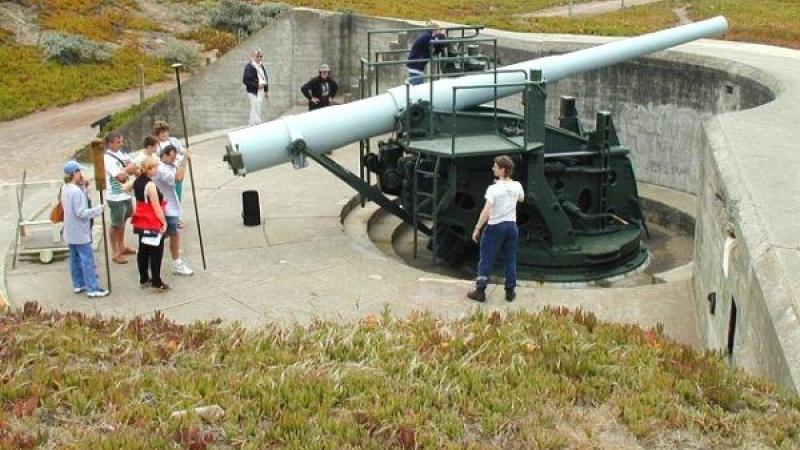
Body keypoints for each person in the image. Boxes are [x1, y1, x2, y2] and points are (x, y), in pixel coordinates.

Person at [467, 155, 525, 303]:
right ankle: (510, 291)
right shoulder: (517, 185)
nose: (493, 168)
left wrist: (477, 227)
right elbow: (521, 199)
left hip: (495, 227)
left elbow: (486, 210)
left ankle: (480, 291)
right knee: (510, 258)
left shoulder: (493, 189)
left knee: (486, 258)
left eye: (495, 167)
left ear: (502, 170)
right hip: (511, 227)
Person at [61, 161, 108, 298]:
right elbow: (81, 212)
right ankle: (93, 288)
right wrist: (98, 210)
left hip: (70, 230)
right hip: (80, 231)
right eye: (79, 171)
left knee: (74, 258)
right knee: (87, 259)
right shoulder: (76, 192)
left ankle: (78, 283)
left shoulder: (65, 188)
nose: (81, 174)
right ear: (75, 173)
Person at [154, 145, 193, 276]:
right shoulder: (161, 169)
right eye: (171, 157)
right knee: (172, 235)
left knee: (167, 235)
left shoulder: (169, 164)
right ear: (164, 155)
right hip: (166, 208)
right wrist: (185, 160)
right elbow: (178, 178)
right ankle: (176, 262)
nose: (173, 160)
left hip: (171, 206)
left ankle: (149, 257)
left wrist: (183, 159)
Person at [131, 156, 170, 290]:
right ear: (149, 169)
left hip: (141, 219)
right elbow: (156, 207)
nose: (157, 170)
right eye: (155, 167)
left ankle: (143, 277)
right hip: (151, 220)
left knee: (143, 250)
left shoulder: (137, 182)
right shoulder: (150, 185)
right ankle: (156, 280)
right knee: (156, 252)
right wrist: (164, 222)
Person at [103, 131, 138, 264]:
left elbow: (133, 166)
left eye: (121, 141)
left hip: (126, 192)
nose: (121, 144)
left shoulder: (121, 154)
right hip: (115, 195)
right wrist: (130, 167)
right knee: (116, 223)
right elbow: (120, 176)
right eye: (118, 142)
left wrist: (129, 167)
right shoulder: (107, 158)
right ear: (110, 143)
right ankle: (114, 251)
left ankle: (121, 245)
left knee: (124, 219)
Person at [152, 121, 187, 200]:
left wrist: (186, 153)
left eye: (166, 131)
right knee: (168, 195)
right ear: (157, 134)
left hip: (177, 169)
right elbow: (156, 158)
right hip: (165, 172)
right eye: (161, 132)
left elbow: (181, 150)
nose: (164, 134)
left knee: (177, 194)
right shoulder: (156, 145)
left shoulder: (173, 140)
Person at [243, 49, 269, 126]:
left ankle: (257, 123)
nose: (259, 58)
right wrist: (256, 86)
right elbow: (245, 80)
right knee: (254, 107)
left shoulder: (261, 66)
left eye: (260, 56)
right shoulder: (249, 66)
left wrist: (266, 90)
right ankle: (252, 125)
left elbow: (265, 78)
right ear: (253, 57)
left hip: (260, 91)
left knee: (259, 107)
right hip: (253, 91)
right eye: (257, 56)